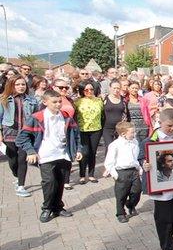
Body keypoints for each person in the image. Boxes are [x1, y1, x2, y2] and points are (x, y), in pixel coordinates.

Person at [16, 90, 83, 222]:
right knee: (49, 182)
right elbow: (22, 138)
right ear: (45, 102)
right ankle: (47, 208)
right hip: (45, 155)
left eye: (60, 101)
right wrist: (30, 151)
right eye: (54, 102)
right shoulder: (37, 117)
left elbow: (76, 135)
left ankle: (58, 207)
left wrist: (78, 149)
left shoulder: (66, 117)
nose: (58, 104)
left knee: (60, 182)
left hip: (63, 155)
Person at [139, 108, 173, 250]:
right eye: (169, 126)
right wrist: (144, 164)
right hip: (161, 188)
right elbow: (141, 157)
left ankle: (170, 239)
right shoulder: (149, 141)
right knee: (163, 218)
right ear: (160, 123)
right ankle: (166, 247)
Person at [0, 76, 39, 197]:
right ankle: (17, 175)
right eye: (17, 84)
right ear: (12, 85)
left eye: (23, 84)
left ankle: (21, 186)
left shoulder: (32, 100)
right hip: (9, 132)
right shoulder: (4, 100)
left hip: (25, 134)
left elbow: (36, 117)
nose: (21, 87)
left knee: (22, 160)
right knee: (12, 161)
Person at [104, 121, 142, 223]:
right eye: (132, 133)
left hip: (133, 170)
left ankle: (131, 204)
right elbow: (109, 161)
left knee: (137, 191)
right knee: (121, 194)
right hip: (121, 172)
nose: (134, 135)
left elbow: (135, 157)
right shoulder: (115, 145)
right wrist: (115, 174)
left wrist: (139, 168)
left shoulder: (135, 142)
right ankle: (120, 213)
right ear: (123, 134)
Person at [74, 80, 104, 184]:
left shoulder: (99, 101)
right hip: (82, 130)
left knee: (93, 153)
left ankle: (91, 174)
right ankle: (82, 175)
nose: (89, 91)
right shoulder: (77, 102)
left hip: (96, 130)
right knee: (84, 153)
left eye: (91, 89)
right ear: (82, 90)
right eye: (86, 90)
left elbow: (103, 116)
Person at [102, 79, 130, 156]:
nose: (116, 90)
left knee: (121, 147)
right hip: (107, 128)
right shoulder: (104, 99)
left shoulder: (123, 100)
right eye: (114, 88)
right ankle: (108, 166)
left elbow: (127, 114)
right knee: (109, 147)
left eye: (118, 88)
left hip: (120, 128)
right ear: (110, 88)